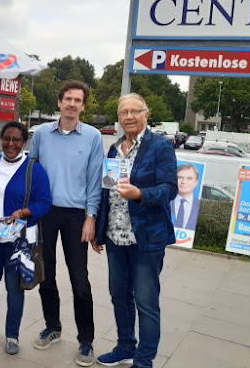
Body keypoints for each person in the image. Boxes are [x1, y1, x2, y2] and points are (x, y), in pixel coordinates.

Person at [94, 93, 177, 368]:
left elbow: (169, 189)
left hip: (146, 239)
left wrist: (140, 193)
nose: (128, 117)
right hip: (115, 237)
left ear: (146, 114)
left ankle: (144, 361)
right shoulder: (114, 148)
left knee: (146, 302)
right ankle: (125, 346)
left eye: (134, 111)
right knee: (119, 296)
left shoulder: (160, 147)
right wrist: (99, 228)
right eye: (123, 112)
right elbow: (106, 192)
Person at [28, 80, 104, 367]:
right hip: (45, 211)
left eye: (77, 100)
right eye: (67, 99)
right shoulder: (42, 134)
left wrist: (91, 216)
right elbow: (31, 172)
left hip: (76, 216)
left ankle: (86, 340)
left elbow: (95, 180)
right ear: (59, 103)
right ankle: (53, 327)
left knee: (79, 280)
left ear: (83, 106)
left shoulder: (94, 136)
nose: (72, 104)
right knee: (45, 273)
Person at [0, 121, 52, 355]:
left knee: (14, 288)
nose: (11, 144)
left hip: (18, 238)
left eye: (16, 140)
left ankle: (12, 335)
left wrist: (25, 212)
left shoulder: (34, 169)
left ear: (24, 142)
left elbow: (45, 202)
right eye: (7, 138)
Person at [171, 164, 201, 231]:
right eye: (180, 178)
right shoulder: (164, 202)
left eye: (189, 178)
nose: (184, 182)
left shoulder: (200, 205)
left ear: (196, 182)